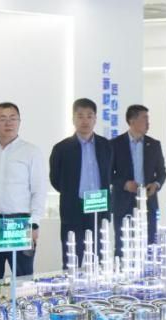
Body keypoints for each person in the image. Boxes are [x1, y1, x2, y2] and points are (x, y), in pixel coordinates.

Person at [0, 102, 46, 280]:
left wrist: (34, 223)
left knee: (23, 280)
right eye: (2, 119)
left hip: (19, 224)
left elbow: (39, 190)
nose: (8, 123)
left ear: (19, 122)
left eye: (13, 118)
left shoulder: (31, 152)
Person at [49, 98, 112, 269]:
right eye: (80, 116)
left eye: (89, 116)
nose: (85, 121)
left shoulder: (106, 146)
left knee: (99, 260)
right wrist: (71, 194)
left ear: (95, 119)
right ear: (73, 119)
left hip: (98, 208)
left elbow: (110, 175)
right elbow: (55, 179)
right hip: (73, 209)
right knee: (72, 259)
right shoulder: (61, 148)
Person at [111, 104, 166, 255]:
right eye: (145, 118)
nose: (148, 123)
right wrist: (124, 184)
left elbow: (162, 173)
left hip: (148, 202)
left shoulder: (154, 144)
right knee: (123, 247)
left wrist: (156, 185)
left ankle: (148, 270)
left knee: (149, 246)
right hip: (123, 203)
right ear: (132, 121)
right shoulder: (115, 144)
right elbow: (108, 174)